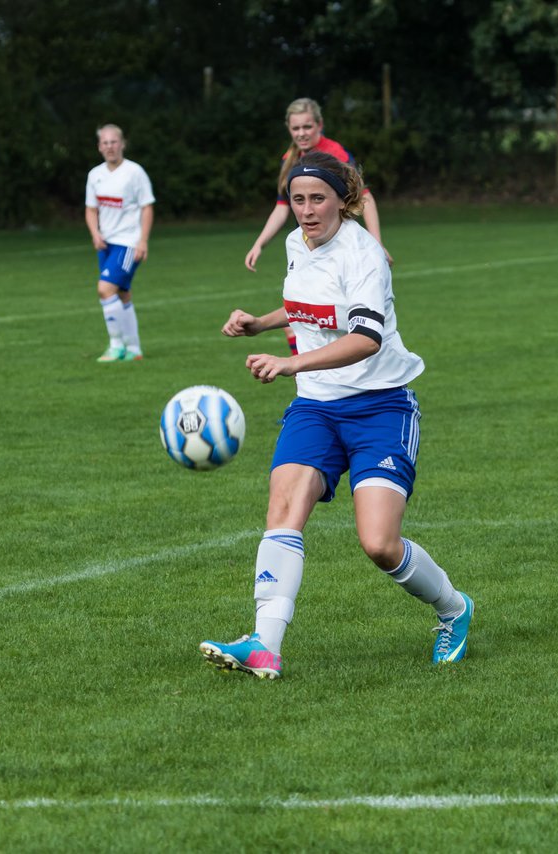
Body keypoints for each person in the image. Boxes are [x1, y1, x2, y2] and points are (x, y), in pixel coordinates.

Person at [202, 151, 473, 680]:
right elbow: (309, 305)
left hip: (381, 406)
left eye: (317, 199)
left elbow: (366, 337)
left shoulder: (363, 254)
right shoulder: (295, 243)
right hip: (315, 406)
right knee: (283, 509)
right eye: (298, 200)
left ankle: (454, 610)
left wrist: (290, 362)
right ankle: (264, 645)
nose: (306, 211)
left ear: (343, 200)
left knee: (378, 543)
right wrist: (260, 323)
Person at [244, 98, 393, 356]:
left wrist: (376, 242)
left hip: (336, 246)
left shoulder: (334, 155)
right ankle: (306, 372)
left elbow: (364, 196)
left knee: (338, 316)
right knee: (299, 314)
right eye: (296, 128)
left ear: (320, 125)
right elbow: (281, 206)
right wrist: (260, 243)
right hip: (309, 244)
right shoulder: (289, 160)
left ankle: (310, 366)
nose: (301, 133)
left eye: (307, 127)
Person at [84, 123, 155, 362]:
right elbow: (91, 209)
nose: (109, 146)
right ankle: (134, 350)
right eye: (105, 142)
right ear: (99, 147)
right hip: (106, 244)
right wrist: (95, 233)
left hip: (127, 242)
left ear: (122, 144)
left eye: (113, 141)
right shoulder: (95, 175)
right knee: (122, 293)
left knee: (105, 289)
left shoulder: (135, 172)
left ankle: (115, 346)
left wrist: (142, 241)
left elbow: (147, 207)